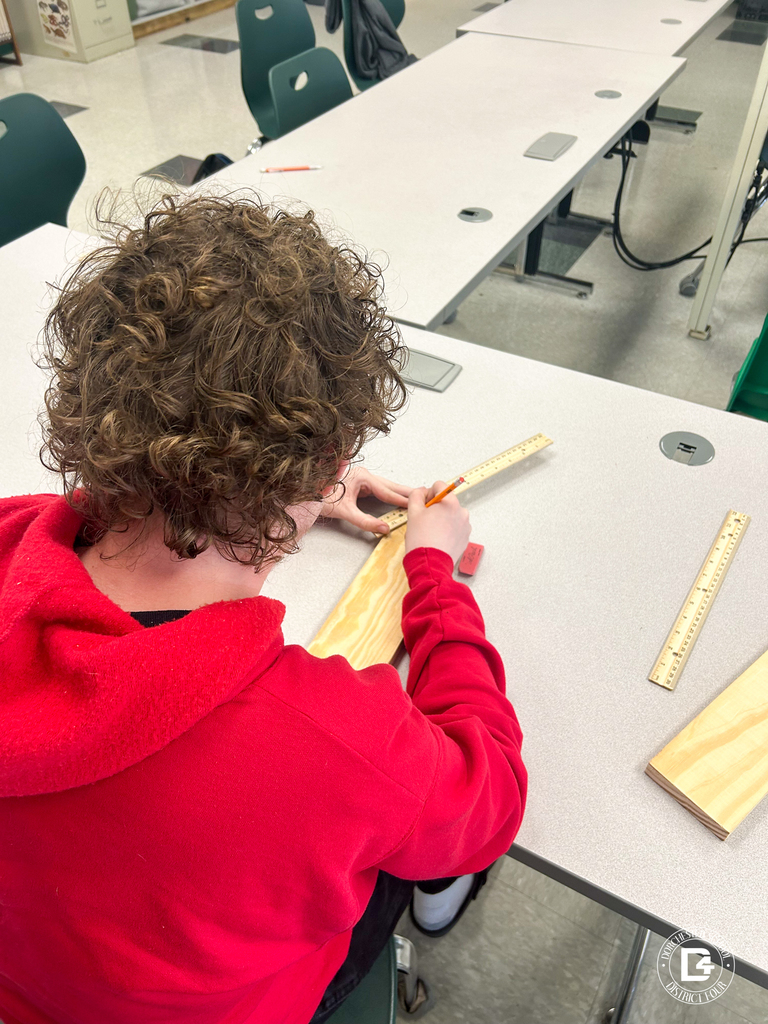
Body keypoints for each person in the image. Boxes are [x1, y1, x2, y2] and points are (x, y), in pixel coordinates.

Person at [0, 192, 527, 1024]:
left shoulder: (13, 539)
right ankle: (436, 912)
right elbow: (488, 795)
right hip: (243, 1002)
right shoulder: (332, 744)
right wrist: (434, 572)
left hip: (38, 982)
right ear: (324, 468)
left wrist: (296, 480)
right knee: (407, 854)